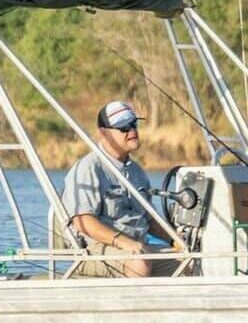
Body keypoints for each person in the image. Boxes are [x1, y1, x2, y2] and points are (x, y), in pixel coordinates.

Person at [61, 100, 184, 277]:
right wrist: (123, 242)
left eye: (134, 124)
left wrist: (174, 240)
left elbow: (149, 220)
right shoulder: (88, 168)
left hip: (138, 246)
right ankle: (140, 304)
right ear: (104, 133)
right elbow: (83, 222)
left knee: (189, 259)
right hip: (94, 250)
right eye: (123, 127)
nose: (132, 131)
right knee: (139, 263)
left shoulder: (136, 171)